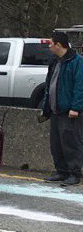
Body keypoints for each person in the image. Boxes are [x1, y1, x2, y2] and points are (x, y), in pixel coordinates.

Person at [41, 32, 83, 186]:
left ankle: (74, 173)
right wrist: (46, 107)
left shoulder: (77, 62)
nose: (49, 46)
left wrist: (76, 107)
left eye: (51, 43)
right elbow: (49, 85)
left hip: (69, 111)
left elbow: (80, 86)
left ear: (58, 45)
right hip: (55, 110)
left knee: (71, 143)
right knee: (56, 144)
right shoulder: (54, 62)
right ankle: (61, 171)